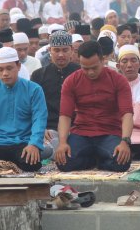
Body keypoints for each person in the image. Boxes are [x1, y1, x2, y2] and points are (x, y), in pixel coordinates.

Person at [54, 41, 133, 171]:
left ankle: (97, 159)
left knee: (122, 162)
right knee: (63, 162)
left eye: (94, 68)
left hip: (110, 133)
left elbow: (127, 114)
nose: (90, 72)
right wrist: (62, 143)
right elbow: (65, 116)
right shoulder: (71, 81)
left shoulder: (118, 80)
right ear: (79, 62)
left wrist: (125, 141)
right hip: (81, 133)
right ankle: (95, 159)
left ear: (103, 60)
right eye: (85, 68)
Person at [30, 31, 79, 160]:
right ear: (49, 50)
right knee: (44, 148)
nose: (61, 54)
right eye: (56, 50)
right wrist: (41, 128)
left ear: (72, 50)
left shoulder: (81, 73)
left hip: (77, 129)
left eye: (65, 50)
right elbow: (32, 107)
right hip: (49, 130)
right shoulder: (38, 75)